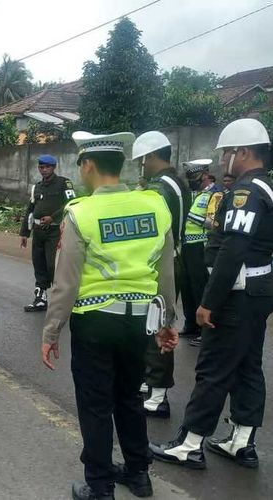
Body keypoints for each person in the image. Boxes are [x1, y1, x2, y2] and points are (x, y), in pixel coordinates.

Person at [42, 131, 178, 500]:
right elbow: (166, 272)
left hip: (95, 322)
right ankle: (138, 474)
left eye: (80, 164)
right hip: (139, 321)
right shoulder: (154, 205)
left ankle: (100, 485)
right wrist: (167, 323)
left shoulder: (81, 212)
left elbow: (65, 283)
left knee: (96, 404)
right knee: (130, 397)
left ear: (88, 165)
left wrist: (51, 331)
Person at [150, 118, 273, 470]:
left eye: (227, 153)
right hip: (259, 290)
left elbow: (232, 251)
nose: (222, 161)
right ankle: (242, 440)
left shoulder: (245, 193)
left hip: (237, 294)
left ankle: (190, 444)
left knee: (213, 368)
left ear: (244, 153)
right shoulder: (267, 188)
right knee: (248, 365)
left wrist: (207, 303)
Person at [131, 131, 191, 418]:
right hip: (174, 258)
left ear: (152, 156)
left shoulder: (159, 190)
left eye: (142, 159)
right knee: (154, 322)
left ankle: (157, 394)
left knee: (157, 323)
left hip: (160, 263)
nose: (141, 164)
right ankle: (150, 384)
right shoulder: (176, 182)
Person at [19, 154, 76, 312]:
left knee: (54, 265)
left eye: (47, 167)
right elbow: (30, 210)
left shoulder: (64, 184)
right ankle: (40, 299)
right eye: (41, 167)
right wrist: (25, 233)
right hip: (38, 232)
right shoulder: (36, 187)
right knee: (39, 265)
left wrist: (53, 217)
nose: (43, 170)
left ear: (54, 167)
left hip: (55, 231)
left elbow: (71, 203)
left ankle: (64, 299)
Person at [179, 159, 220, 347]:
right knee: (186, 286)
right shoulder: (195, 194)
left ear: (204, 175)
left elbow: (213, 223)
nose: (191, 181)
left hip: (201, 246)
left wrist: (190, 216)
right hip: (188, 245)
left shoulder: (215, 194)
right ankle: (191, 325)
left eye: (194, 177)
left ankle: (205, 331)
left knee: (199, 287)